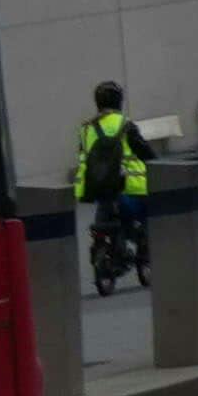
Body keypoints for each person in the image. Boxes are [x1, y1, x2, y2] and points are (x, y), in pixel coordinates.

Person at [66, 83, 154, 291]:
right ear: (119, 102)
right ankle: (143, 250)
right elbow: (145, 152)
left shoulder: (86, 129)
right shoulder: (125, 124)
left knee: (104, 219)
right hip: (131, 188)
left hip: (100, 190)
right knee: (148, 217)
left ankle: (109, 252)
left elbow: (83, 158)